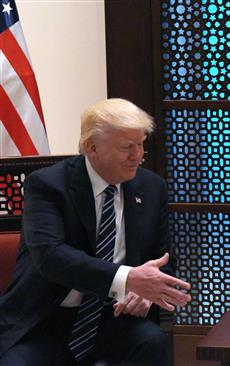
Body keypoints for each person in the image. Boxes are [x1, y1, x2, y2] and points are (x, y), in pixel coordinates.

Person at [0, 98, 192, 366]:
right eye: (127, 147)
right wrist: (128, 279)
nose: (137, 155)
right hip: (45, 319)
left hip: (113, 317)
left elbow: (163, 259)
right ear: (92, 148)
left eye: (140, 144)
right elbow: (51, 256)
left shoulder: (151, 187)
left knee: (152, 343)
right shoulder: (47, 185)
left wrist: (146, 291)